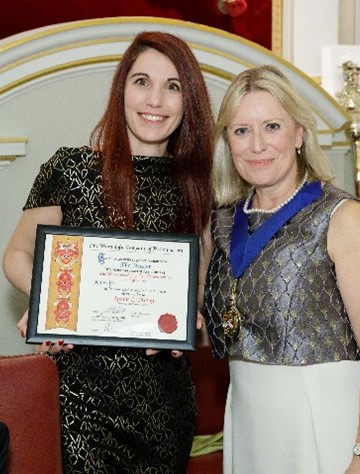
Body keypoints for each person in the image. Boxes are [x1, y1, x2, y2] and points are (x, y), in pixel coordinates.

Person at [2, 31, 214, 474]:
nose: (155, 100)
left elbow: (197, 296)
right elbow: (17, 255)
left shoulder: (196, 188)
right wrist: (46, 303)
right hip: (82, 401)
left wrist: (190, 321)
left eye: (173, 86)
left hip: (165, 407)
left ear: (188, 101)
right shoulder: (70, 168)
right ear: (122, 90)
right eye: (142, 82)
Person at [204, 65, 360, 474]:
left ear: (298, 134)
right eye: (241, 131)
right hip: (248, 419)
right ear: (227, 141)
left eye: (272, 126)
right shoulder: (221, 222)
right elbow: (214, 326)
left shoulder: (342, 217)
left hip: (328, 420)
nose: (257, 144)